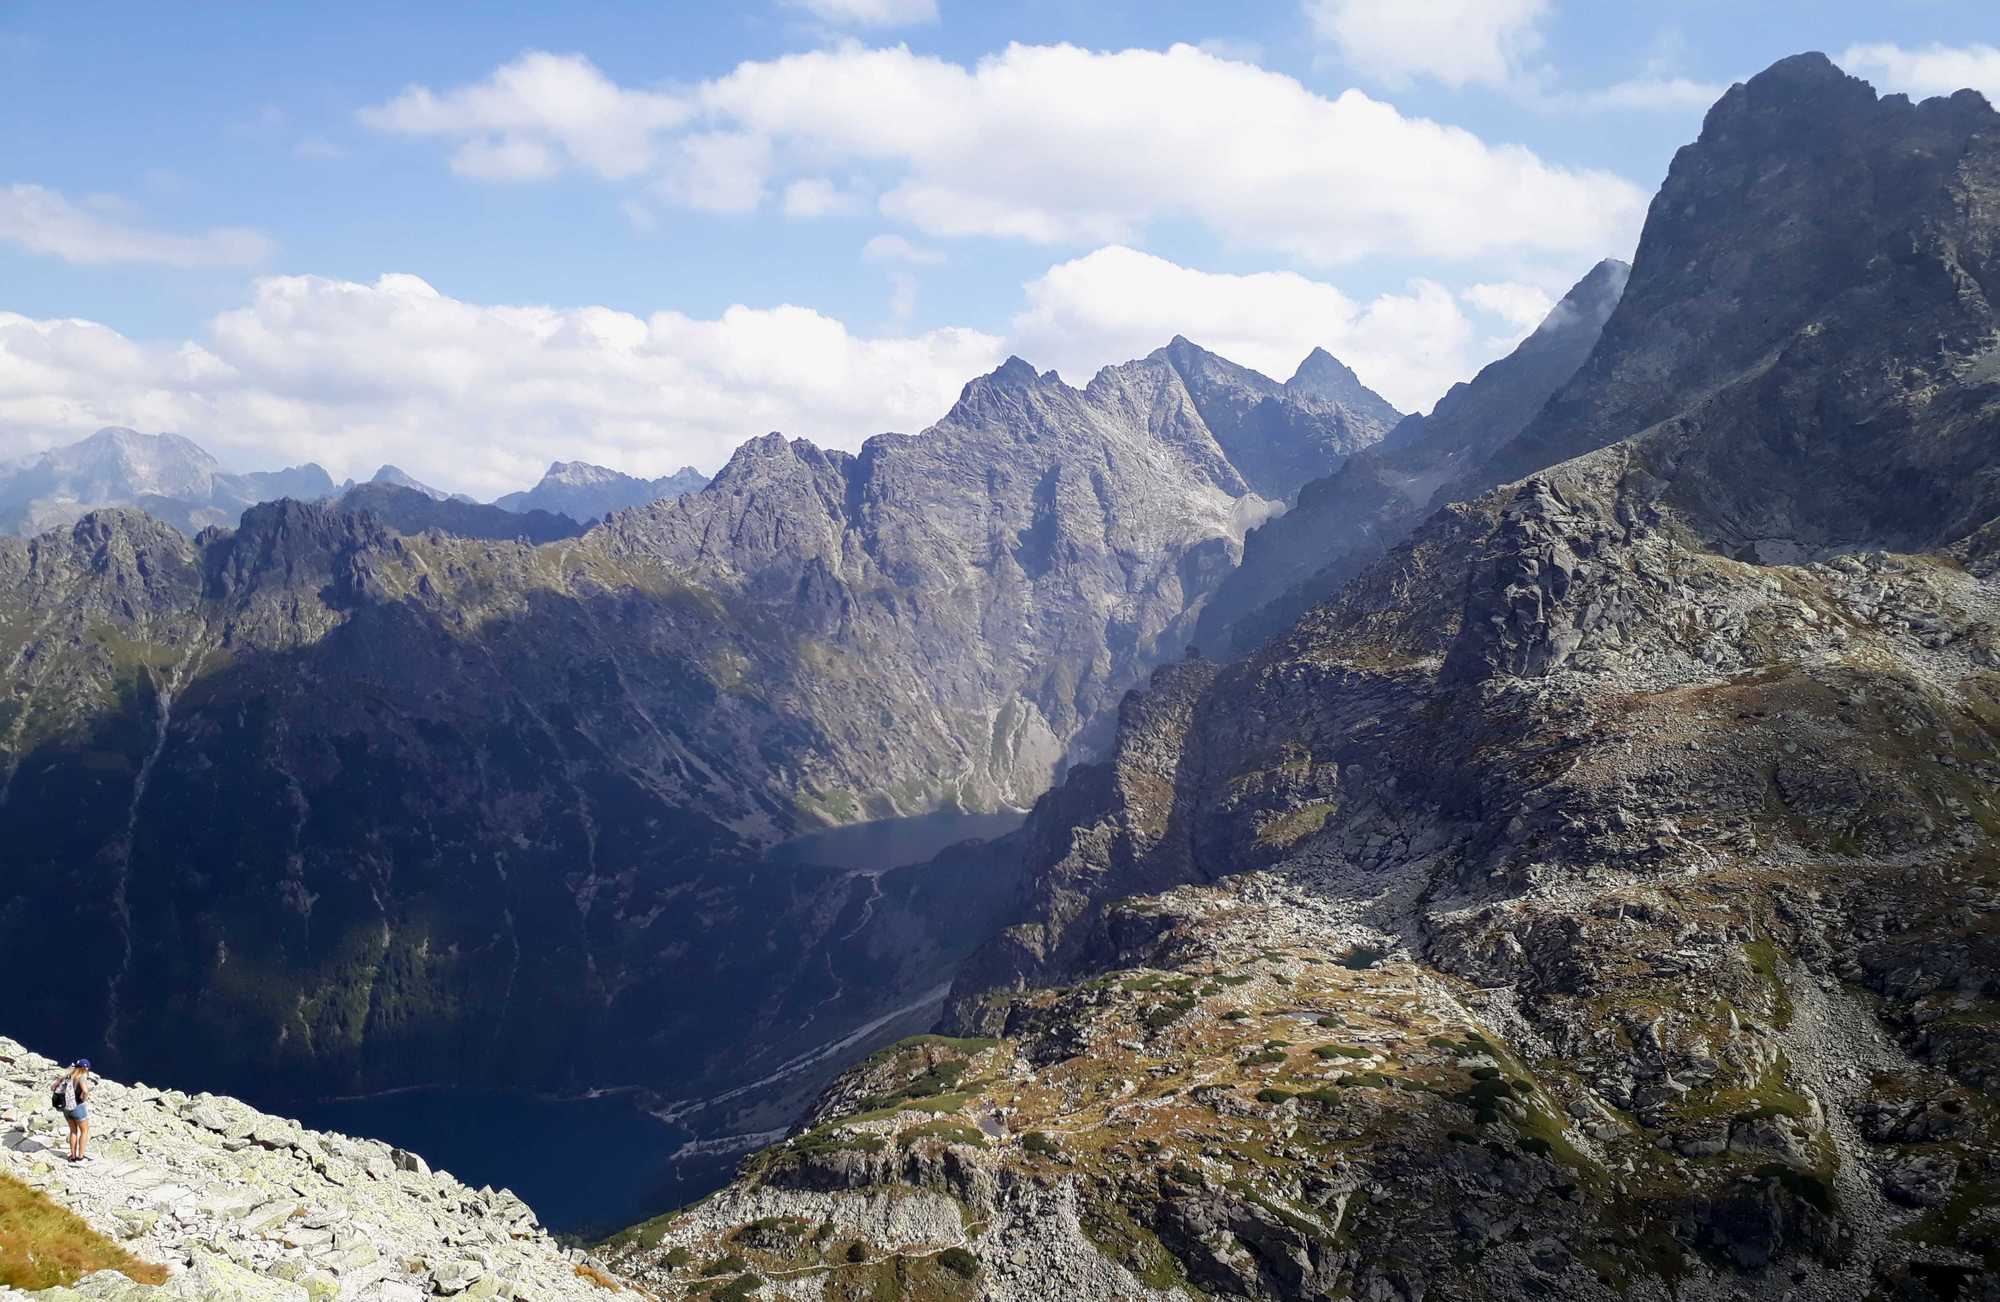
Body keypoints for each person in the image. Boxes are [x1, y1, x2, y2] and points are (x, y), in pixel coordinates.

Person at [56, 1059, 92, 1162]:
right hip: (77, 1107)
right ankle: (80, 1157)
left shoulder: (68, 1076)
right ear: (85, 1068)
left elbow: (56, 1086)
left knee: (73, 1131)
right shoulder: (81, 1076)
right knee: (84, 1131)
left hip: (66, 1107)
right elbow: (85, 1091)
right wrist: (83, 1099)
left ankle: (72, 1156)